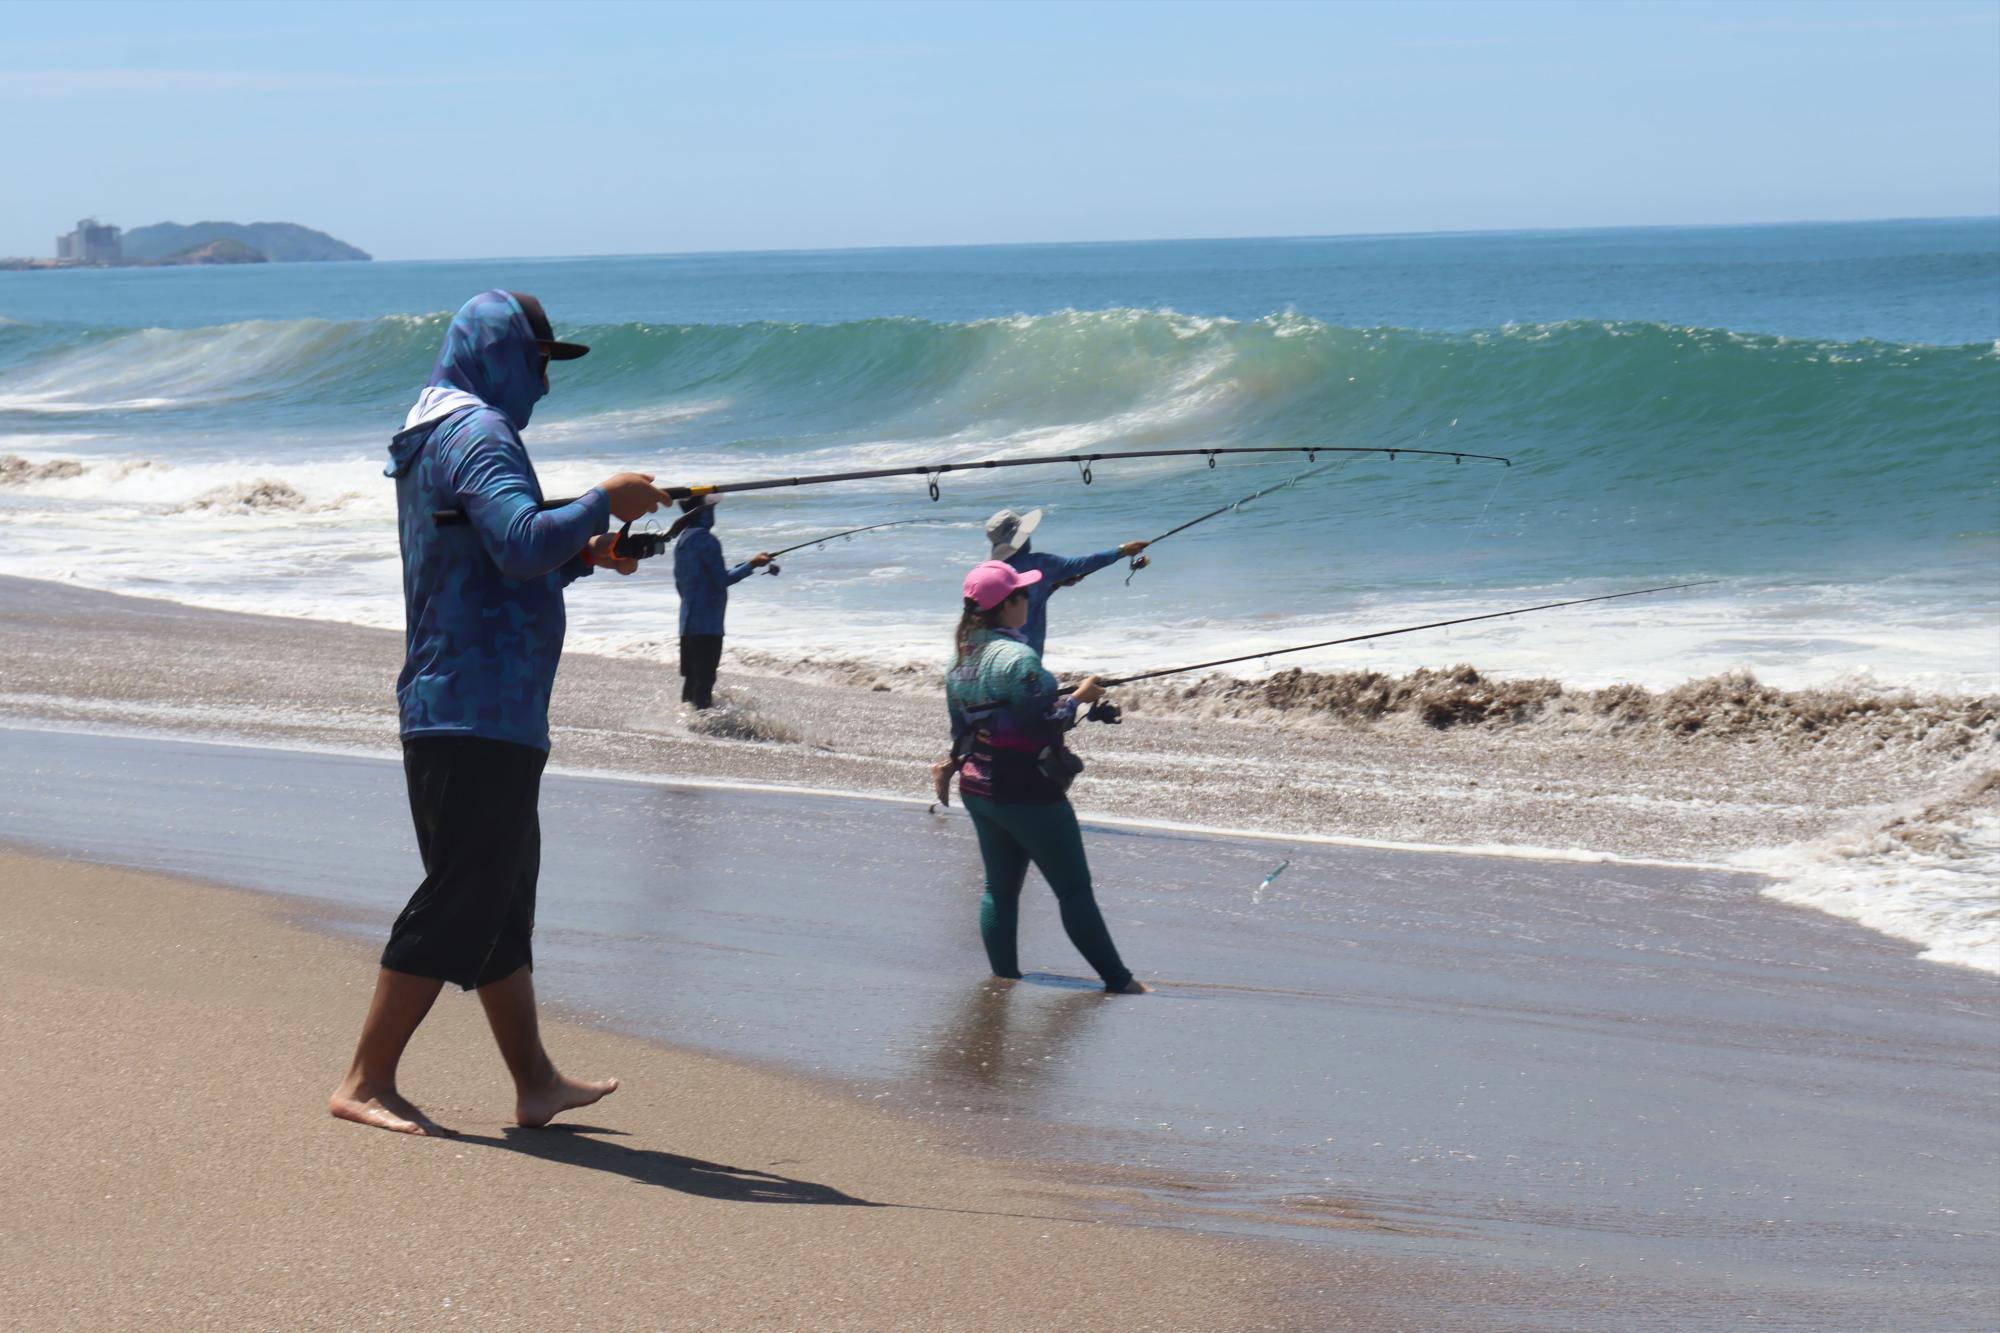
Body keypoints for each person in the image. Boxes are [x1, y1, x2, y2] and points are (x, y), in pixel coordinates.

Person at [331, 289, 672, 1137]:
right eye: (538, 363)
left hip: (478, 702)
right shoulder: (478, 433)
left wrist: (583, 554)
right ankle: (366, 1077)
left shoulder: (434, 432)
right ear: (498, 354)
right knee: (464, 891)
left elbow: (497, 561)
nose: (545, 386)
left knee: (502, 896)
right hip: (474, 705)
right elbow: (522, 541)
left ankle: (535, 1082)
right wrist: (604, 499)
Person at [942, 560, 1146, 994]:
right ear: (1007, 604)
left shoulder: (959, 662)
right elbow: (1042, 723)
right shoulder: (1018, 658)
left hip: (978, 785)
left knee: (999, 888)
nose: (1029, 599)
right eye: (1023, 593)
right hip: (1027, 791)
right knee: (1073, 890)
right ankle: (1119, 981)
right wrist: (1080, 698)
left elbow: (964, 729)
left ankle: (1004, 976)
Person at [984, 507, 1150, 657]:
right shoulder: (1040, 564)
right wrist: (1122, 551)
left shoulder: (992, 572)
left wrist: (1055, 584)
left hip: (996, 654)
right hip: (1028, 654)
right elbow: (1082, 564)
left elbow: (1027, 598)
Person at [672, 496, 770, 710]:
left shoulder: (682, 541)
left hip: (687, 622)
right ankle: (704, 725)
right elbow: (722, 580)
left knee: (691, 679)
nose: (712, 514)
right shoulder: (708, 540)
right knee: (705, 680)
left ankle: (688, 722)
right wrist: (752, 565)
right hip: (708, 624)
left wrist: (750, 563)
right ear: (701, 513)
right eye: (710, 510)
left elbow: (681, 583)